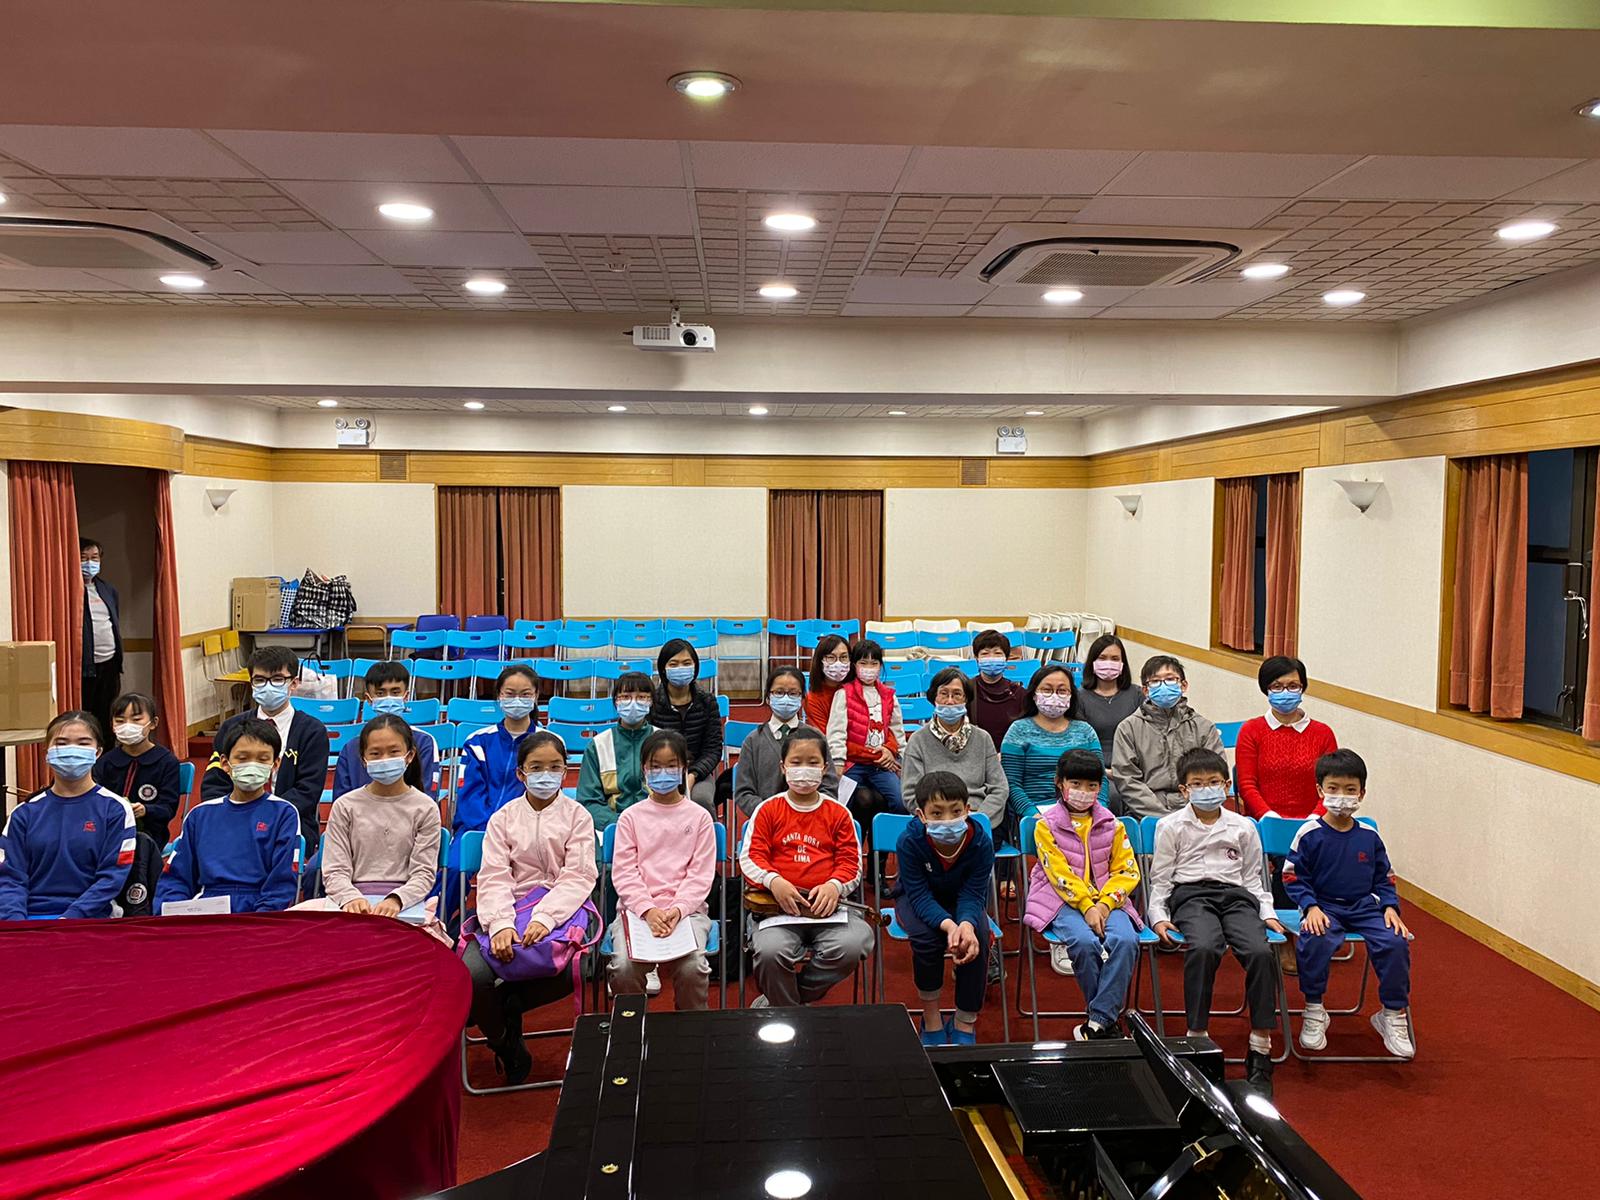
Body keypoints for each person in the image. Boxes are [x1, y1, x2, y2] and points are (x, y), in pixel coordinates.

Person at [1148, 747, 1286, 1098]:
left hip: (1236, 896)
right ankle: (1197, 1039)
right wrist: (1159, 917)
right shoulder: (1170, 826)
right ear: (1184, 790)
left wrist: (1268, 913)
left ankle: (1260, 1046)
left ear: (1226, 785)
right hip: (1191, 895)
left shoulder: (1243, 826)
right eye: (1197, 783)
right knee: (1204, 947)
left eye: (1213, 782)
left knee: (1259, 952)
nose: (1206, 789)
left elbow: (1253, 878)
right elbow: (1160, 879)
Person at [463, 730, 598, 1085]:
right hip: (507, 910)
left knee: (578, 968)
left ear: (565, 771)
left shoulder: (577, 816)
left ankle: (508, 1003)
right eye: (536, 767)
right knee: (471, 975)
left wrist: (546, 917)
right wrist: (501, 924)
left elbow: (579, 875)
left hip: (561, 909)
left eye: (555, 767)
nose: (546, 775)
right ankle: (505, 1043)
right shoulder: (503, 818)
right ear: (521, 773)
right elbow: (493, 876)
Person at [1286, 749, 1414, 1059]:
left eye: (1350, 789)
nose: (1342, 796)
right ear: (1320, 790)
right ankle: (1314, 1009)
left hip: (1364, 907)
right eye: (1333, 788)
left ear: (1362, 793)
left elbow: (1385, 877)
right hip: (1323, 906)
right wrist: (1310, 906)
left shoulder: (1369, 836)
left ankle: (1392, 1014)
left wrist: (1390, 907)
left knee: (1395, 942)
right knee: (1315, 938)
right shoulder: (1309, 833)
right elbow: (1292, 877)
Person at [739, 727, 874, 1007]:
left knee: (856, 942)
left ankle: (787, 1004)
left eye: (813, 762)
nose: (804, 769)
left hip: (829, 912)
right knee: (769, 952)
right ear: (783, 767)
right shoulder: (767, 809)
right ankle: (793, 1009)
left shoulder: (839, 813)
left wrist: (834, 886)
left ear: (825, 768)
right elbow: (750, 858)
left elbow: (851, 863)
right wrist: (774, 880)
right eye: (796, 762)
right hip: (777, 910)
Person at [1023, 749, 1141, 1039]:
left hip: (1108, 901)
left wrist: (1104, 904)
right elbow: (1058, 874)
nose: (1083, 791)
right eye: (1075, 783)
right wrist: (1087, 905)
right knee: (1084, 942)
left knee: (1127, 940)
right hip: (1060, 899)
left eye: (1091, 785)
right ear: (1059, 782)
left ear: (1100, 788)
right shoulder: (1045, 825)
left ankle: (1097, 1022)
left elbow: (1127, 871)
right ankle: (1105, 1022)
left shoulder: (1113, 824)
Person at [606, 730, 718, 1011]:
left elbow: (700, 875)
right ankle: (632, 1025)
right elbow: (624, 873)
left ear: (684, 769)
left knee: (693, 967)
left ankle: (689, 1029)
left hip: (688, 913)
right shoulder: (631, 817)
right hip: (636, 912)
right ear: (644, 769)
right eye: (655, 766)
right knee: (623, 967)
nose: (663, 772)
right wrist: (648, 910)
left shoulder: (700, 817)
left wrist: (678, 909)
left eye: (671, 765)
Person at [0, 711, 136, 920]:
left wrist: (69, 920)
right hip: (28, 920)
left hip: (89, 921)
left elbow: (111, 879)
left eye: (83, 743)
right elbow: (10, 878)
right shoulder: (23, 813)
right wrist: (17, 923)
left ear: (98, 752)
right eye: (61, 743)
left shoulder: (115, 809)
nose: (72, 750)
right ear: (47, 752)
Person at [158, 717, 300, 914]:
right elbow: (176, 878)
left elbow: (281, 884)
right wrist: (172, 913)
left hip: (260, 914)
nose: (252, 766)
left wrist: (260, 920)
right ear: (225, 763)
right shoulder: (200, 815)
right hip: (207, 910)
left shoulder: (284, 813)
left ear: (275, 764)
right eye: (242, 758)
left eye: (262, 759)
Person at [895, 771, 995, 1046]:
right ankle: (931, 1017)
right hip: (917, 899)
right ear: (921, 815)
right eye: (937, 813)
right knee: (927, 939)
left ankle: (965, 1020)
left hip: (962, 899)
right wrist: (948, 924)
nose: (948, 819)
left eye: (956, 811)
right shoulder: (909, 841)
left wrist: (966, 924)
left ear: (968, 810)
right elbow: (918, 895)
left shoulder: (980, 842)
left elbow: (973, 892)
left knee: (977, 939)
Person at [200, 646, 330, 850]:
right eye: (260, 680)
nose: (268, 686)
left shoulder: (312, 731)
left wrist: (266, 814)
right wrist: (236, 814)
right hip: (233, 819)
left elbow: (308, 791)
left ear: (294, 683)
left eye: (277, 679)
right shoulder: (231, 727)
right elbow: (214, 784)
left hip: (288, 821)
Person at [319, 715, 442, 918]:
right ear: (363, 759)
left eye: (394, 752)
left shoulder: (425, 808)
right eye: (375, 753)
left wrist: (397, 900)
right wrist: (350, 898)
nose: (385, 760)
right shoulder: (345, 805)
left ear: (409, 755)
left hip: (405, 905)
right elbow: (335, 869)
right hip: (350, 902)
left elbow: (423, 873)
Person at [1109, 655, 1224, 819]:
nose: (1163, 686)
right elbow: (1127, 780)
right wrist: (1164, 817)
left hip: (1197, 810)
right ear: (1146, 690)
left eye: (1170, 679)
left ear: (1183, 685)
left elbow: (1216, 773)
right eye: (1155, 681)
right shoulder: (1128, 728)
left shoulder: (1203, 727)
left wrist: (1193, 813)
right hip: (1147, 814)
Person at [901, 667, 1007, 829]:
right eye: (944, 694)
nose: (950, 701)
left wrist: (979, 818)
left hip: (978, 818)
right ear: (934, 698)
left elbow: (999, 788)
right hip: (934, 822)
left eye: (957, 694)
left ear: (966, 699)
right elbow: (910, 794)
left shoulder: (983, 738)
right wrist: (943, 818)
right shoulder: (918, 740)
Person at [1236, 656, 1339, 821]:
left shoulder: (1323, 733)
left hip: (1313, 823)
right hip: (1264, 823)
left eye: (1293, 686)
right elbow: (1247, 785)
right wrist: (1270, 818)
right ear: (1266, 689)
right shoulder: (1251, 730)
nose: (1285, 692)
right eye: (1277, 686)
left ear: (1302, 688)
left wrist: (1313, 820)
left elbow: (1332, 786)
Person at [1001, 664, 1104, 820]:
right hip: (1036, 814)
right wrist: (1033, 815)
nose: (1054, 696)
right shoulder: (1018, 730)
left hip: (1083, 813)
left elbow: (1101, 778)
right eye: (1047, 690)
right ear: (1034, 694)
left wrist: (1100, 812)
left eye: (1062, 691)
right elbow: (1012, 784)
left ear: (1071, 695)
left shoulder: (1085, 731)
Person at [734, 666, 839, 816]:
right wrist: (770, 813)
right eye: (779, 692)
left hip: (811, 819)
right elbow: (744, 792)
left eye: (793, 693)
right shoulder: (753, 741)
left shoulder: (816, 738)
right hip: (768, 820)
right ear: (768, 698)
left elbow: (829, 787)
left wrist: (808, 812)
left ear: (802, 699)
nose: (786, 698)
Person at [454, 663, 541, 841]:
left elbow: (545, 797)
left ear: (536, 696)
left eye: (525, 694)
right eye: (510, 694)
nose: (517, 700)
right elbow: (469, 795)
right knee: (458, 859)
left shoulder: (547, 743)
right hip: (476, 829)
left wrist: (513, 831)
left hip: (526, 832)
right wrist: (490, 829)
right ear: (499, 696)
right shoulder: (477, 742)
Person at [331, 661, 439, 798]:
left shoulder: (424, 742)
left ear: (406, 696)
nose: (388, 698)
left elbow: (427, 795)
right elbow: (341, 801)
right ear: (369, 699)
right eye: (380, 693)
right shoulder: (351, 747)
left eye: (395, 692)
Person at [826, 639, 907, 814]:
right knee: (842, 803)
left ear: (880, 666)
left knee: (901, 802)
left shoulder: (889, 696)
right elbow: (836, 733)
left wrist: (900, 759)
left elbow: (897, 731)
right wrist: (838, 763)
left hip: (880, 764)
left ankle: (888, 831)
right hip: (852, 763)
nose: (869, 668)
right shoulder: (843, 694)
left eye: (874, 663)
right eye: (863, 663)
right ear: (854, 665)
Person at [91, 692, 181, 844]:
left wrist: (146, 810)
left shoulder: (166, 762)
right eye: (120, 721)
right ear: (112, 725)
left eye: (136, 719)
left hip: (148, 834)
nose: (128, 725)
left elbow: (168, 808)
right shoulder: (105, 761)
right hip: (108, 831)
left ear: (153, 723)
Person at [647, 639, 724, 814]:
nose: (680, 668)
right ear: (663, 669)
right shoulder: (653, 703)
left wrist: (693, 775)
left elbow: (713, 749)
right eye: (674, 664)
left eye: (686, 663)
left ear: (695, 667)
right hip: (659, 771)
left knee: (701, 800)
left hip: (697, 773)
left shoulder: (707, 702)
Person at [577, 671, 655, 831]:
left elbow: (679, 795)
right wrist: (620, 824)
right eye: (625, 697)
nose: (633, 703)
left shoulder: (664, 742)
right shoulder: (598, 745)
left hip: (657, 825)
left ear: (651, 701)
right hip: (612, 827)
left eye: (641, 697)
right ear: (615, 702)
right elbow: (588, 801)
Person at [1076, 635, 1142, 811]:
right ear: (1092, 662)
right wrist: (1105, 772)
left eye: (1115, 659)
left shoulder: (1136, 694)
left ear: (1122, 663)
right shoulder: (1080, 697)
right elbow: (1079, 745)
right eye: (1102, 658)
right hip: (1097, 770)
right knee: (1114, 796)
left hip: (1133, 768)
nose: (1108, 663)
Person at [79, 537, 123, 740]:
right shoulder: (70, 591)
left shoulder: (108, 589)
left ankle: (107, 752)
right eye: (84, 558)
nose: (90, 563)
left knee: (108, 714)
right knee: (87, 715)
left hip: (110, 663)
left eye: (94, 558)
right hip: (85, 667)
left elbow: (114, 622)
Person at [970, 629, 1026, 749]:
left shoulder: (1020, 694)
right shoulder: (967, 690)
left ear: (1006, 658)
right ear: (976, 658)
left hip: (1009, 755)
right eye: (985, 654)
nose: (991, 658)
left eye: (998, 653)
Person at [804, 635, 852, 731]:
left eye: (844, 657)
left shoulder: (857, 689)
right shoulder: (813, 699)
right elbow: (825, 736)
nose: (838, 663)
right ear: (820, 661)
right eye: (831, 657)